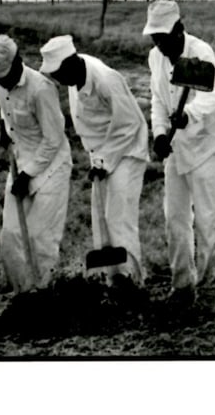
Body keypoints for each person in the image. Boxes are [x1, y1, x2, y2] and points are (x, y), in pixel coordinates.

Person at [39, 34, 148, 290]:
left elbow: (129, 124)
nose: (57, 81)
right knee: (101, 218)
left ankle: (132, 283)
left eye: (58, 74)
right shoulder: (75, 74)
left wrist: (104, 161)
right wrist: (98, 160)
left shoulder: (106, 80)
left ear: (71, 63)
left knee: (119, 217)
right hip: (100, 153)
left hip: (126, 150)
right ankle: (112, 280)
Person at [145, 0, 215, 307]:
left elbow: (212, 97)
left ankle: (211, 286)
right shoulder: (155, 58)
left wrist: (188, 114)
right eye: (155, 38)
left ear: (179, 29)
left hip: (207, 144)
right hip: (177, 147)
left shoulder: (201, 53)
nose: (160, 44)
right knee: (175, 217)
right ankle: (182, 285)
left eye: (164, 37)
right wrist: (159, 133)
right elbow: (158, 99)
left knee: (208, 218)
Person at [0, 34, 72, 293]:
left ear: (18, 62)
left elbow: (53, 139)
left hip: (51, 166)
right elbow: (5, 107)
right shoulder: (0, 80)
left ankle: (43, 294)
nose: (2, 83)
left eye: (5, 77)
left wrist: (28, 174)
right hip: (20, 160)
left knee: (39, 237)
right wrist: (4, 126)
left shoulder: (41, 89)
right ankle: (22, 294)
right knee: (11, 236)